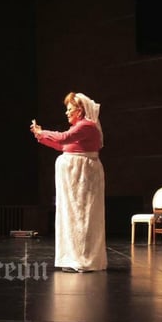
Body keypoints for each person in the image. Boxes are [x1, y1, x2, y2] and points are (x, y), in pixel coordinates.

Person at [30, 92, 107, 272]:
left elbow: (64, 138)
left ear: (80, 111)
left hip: (82, 175)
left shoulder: (87, 126)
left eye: (69, 109)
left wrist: (44, 132)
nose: (67, 113)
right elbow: (62, 146)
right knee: (72, 215)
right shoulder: (81, 128)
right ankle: (73, 257)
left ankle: (82, 258)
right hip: (74, 175)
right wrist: (41, 137)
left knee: (82, 215)